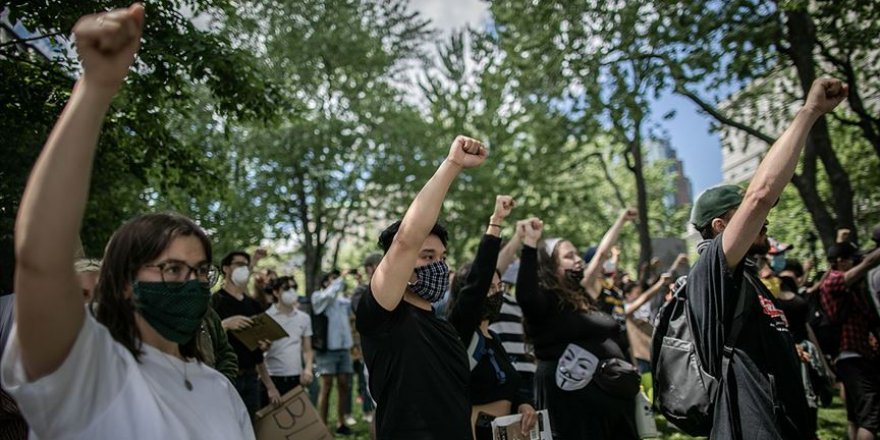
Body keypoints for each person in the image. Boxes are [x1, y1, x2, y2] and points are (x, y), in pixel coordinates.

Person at [0, 5, 253, 438]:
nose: (190, 283)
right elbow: (41, 258)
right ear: (122, 283)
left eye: (200, 271)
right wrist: (95, 88)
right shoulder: (87, 372)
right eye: (172, 268)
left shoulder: (219, 389)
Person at [685, 78, 847, 438]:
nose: (764, 219)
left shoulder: (748, 278)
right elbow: (761, 195)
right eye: (747, 215)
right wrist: (810, 111)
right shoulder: (712, 271)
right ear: (720, 226)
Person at [355, 135, 487, 439]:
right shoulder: (382, 317)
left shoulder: (444, 327)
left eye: (442, 257)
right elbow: (406, 240)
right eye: (427, 256)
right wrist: (452, 164)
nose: (439, 266)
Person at [516, 217, 639, 439]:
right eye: (569, 256)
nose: (578, 260)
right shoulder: (544, 300)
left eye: (577, 254)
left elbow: (602, 253)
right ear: (550, 265)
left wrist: (622, 220)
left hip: (611, 401)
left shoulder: (583, 295)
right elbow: (525, 294)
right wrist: (530, 243)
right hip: (573, 409)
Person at [447, 196, 537, 440]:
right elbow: (478, 280)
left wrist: (524, 404)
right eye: (489, 288)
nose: (496, 293)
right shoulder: (460, 332)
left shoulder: (494, 339)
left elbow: (512, 384)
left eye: (499, 287)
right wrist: (496, 222)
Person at [820, 241, 880, 440]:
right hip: (851, 356)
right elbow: (866, 265)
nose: (856, 263)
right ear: (840, 261)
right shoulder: (833, 280)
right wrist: (868, 260)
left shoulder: (850, 287)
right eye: (853, 259)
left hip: (856, 355)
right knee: (871, 418)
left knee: (855, 416)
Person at [213, 251, 280, 419]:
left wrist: (269, 385)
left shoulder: (252, 305)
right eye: (239, 264)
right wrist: (225, 324)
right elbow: (203, 338)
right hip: (225, 378)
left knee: (250, 426)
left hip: (251, 378)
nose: (243, 269)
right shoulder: (214, 302)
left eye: (246, 265)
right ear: (226, 268)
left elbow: (258, 352)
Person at [489, 221, 538, 404]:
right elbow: (494, 269)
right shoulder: (492, 299)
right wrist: (518, 237)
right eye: (512, 259)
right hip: (510, 373)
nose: (515, 262)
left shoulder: (518, 301)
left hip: (531, 374)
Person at [311, 270, 355, 435]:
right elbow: (328, 295)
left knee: (344, 385)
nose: (337, 281)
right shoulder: (318, 297)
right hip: (327, 349)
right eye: (333, 278)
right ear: (325, 282)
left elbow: (354, 308)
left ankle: (341, 423)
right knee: (327, 386)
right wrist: (340, 278)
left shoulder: (342, 300)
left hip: (344, 349)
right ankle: (322, 426)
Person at [263, 276, 314, 399]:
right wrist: (269, 386)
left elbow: (307, 349)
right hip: (272, 377)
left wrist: (308, 369)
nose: (291, 291)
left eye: (294, 287)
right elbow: (259, 353)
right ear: (276, 292)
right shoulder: (266, 317)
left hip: (296, 377)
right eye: (286, 288)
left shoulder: (304, 318)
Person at [350, 254, 382, 424]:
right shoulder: (361, 291)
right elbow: (364, 314)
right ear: (370, 268)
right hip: (373, 355)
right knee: (381, 409)